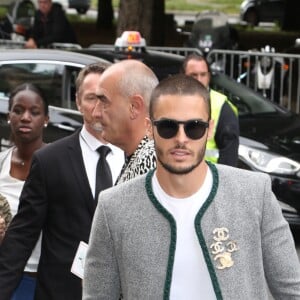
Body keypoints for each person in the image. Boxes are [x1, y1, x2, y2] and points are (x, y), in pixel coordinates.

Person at [83, 74, 300, 299]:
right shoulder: (114, 207)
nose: (181, 138)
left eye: (194, 127)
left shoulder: (255, 193)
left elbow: (292, 291)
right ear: (149, 128)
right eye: (168, 127)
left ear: (209, 129)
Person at [0, 63, 124, 300]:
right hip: (60, 291)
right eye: (91, 98)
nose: (98, 108)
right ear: (77, 101)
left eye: (105, 99)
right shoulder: (50, 161)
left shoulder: (135, 157)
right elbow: (22, 234)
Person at [0, 83, 49, 300]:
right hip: (5, 275)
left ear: (46, 119)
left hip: (43, 277)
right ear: (9, 116)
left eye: (34, 112)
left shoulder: (58, 164)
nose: (25, 117)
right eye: (18, 110)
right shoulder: (1, 163)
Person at [95, 59, 159, 184]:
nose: (96, 113)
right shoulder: (143, 156)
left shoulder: (149, 161)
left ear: (134, 107)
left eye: (104, 102)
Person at [182, 53, 239, 166]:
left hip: (211, 177)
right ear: (183, 76)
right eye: (194, 75)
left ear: (208, 76)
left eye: (203, 74)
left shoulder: (221, 105)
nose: (199, 79)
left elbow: (229, 154)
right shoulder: (173, 102)